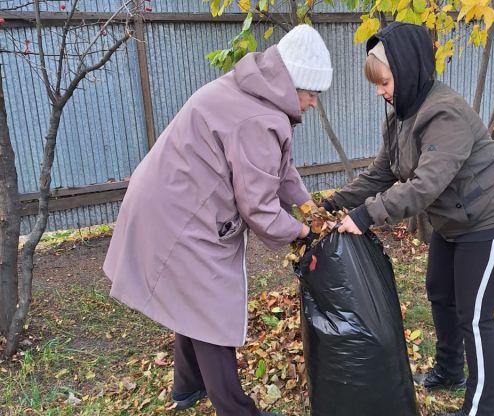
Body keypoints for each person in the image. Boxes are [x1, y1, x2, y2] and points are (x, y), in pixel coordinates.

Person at [103, 24, 332, 416]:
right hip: (179, 213)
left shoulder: (258, 96)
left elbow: (282, 169)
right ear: (293, 84)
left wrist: (308, 208)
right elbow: (259, 207)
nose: (313, 104)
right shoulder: (258, 118)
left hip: (171, 199)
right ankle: (236, 408)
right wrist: (304, 232)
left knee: (192, 301)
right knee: (212, 310)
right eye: (312, 94)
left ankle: (186, 388)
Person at [322, 22, 494, 416]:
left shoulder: (444, 113)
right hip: (454, 225)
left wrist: (367, 215)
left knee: (474, 316)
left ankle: (479, 409)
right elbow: (380, 174)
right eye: (377, 85)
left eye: (384, 82)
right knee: (439, 291)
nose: (381, 92)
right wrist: (335, 203)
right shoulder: (400, 116)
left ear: (408, 68)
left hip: (493, 224)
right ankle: (450, 371)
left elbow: (424, 185)